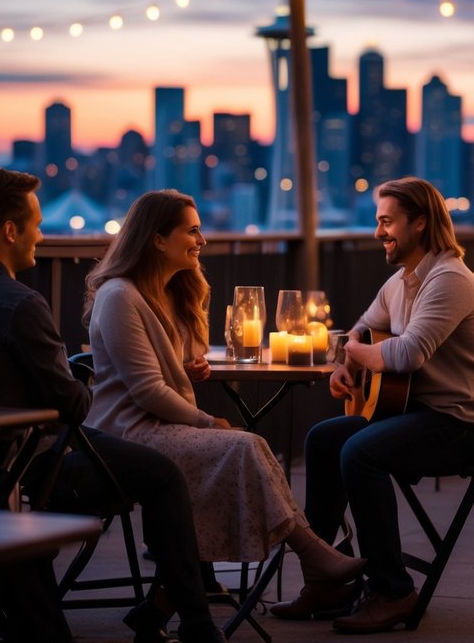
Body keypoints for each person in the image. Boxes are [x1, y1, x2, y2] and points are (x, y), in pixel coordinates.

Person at [0, 168, 260, 643]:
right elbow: (72, 406)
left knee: (157, 468)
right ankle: (198, 635)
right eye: (36, 224)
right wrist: (75, 377)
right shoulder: (20, 304)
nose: (41, 235)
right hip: (30, 466)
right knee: (164, 475)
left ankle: (62, 639)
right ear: (10, 231)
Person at [83, 191, 365, 594]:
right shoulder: (119, 297)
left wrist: (181, 368)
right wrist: (207, 420)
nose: (202, 241)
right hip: (126, 435)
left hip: (161, 427)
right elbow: (145, 391)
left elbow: (152, 370)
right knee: (241, 447)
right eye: (192, 231)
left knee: (244, 447)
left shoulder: (168, 292)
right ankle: (312, 555)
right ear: (158, 239)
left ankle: (168, 601)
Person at [273, 177, 474, 633]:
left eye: (387, 222)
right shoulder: (401, 281)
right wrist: (346, 360)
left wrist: (355, 354)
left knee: (361, 453)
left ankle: (393, 590)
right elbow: (360, 328)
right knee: (322, 440)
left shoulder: (449, 279)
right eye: (378, 222)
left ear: (420, 223)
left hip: (462, 422)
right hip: (418, 413)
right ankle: (325, 579)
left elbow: (407, 354)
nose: (379, 232)